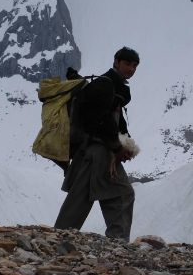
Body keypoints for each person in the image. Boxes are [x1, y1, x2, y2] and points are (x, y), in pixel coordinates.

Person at [54, 47, 140, 240]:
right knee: (121, 194)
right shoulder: (105, 85)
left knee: (85, 197)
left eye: (135, 66)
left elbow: (112, 120)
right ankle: (116, 241)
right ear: (117, 62)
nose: (131, 69)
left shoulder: (111, 87)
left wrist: (124, 144)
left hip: (95, 152)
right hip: (98, 152)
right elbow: (99, 119)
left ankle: (60, 236)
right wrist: (118, 146)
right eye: (127, 64)